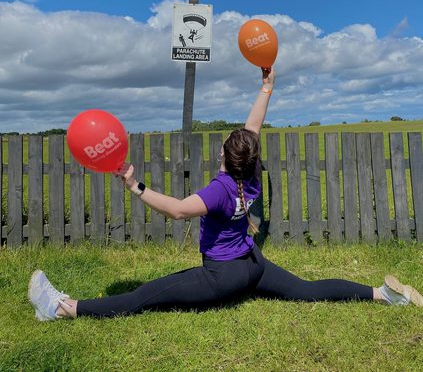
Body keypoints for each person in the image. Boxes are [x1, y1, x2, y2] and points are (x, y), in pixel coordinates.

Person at [28, 68, 423, 321]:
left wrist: (135, 185)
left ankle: (62, 308)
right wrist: (266, 88)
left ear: (223, 153)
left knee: (147, 295)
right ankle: (384, 295)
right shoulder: (248, 175)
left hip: (223, 277)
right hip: (254, 265)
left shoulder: (218, 190)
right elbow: (253, 128)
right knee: (307, 289)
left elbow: (180, 211)